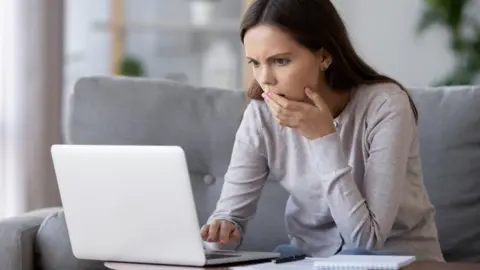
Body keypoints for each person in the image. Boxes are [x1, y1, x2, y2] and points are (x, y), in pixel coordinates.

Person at [200, 0, 444, 262]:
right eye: (254, 63)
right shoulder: (261, 114)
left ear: (325, 57)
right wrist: (223, 230)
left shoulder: (385, 106)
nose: (265, 79)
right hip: (310, 259)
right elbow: (229, 217)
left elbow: (367, 239)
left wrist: (323, 138)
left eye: (280, 61)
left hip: (396, 258)